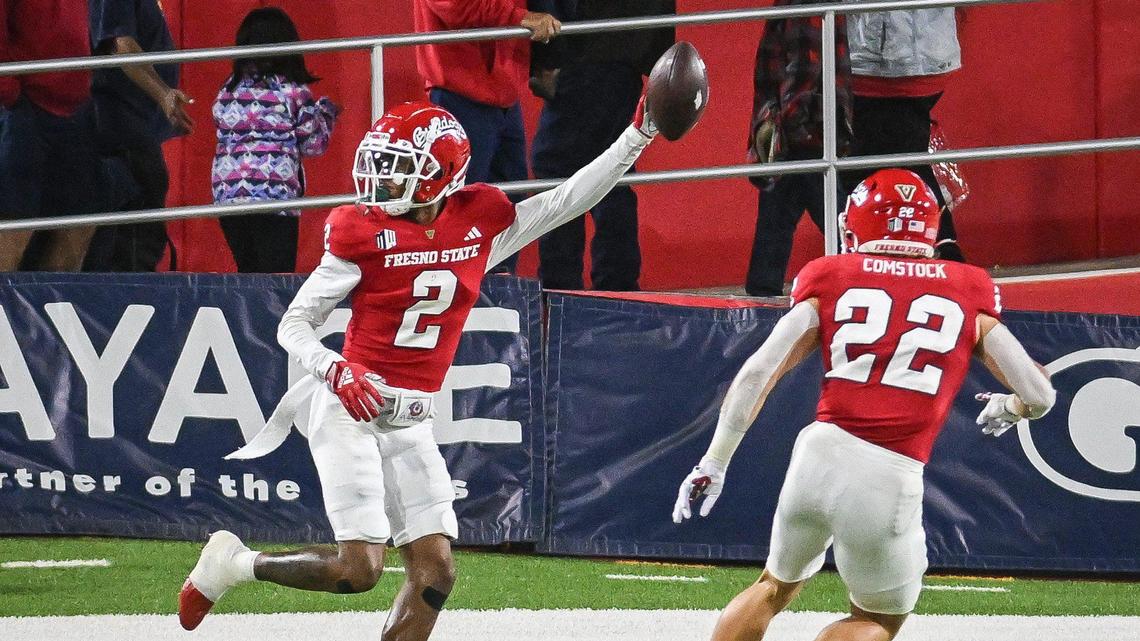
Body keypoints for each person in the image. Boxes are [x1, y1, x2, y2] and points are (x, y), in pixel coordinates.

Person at [178, 99, 662, 638]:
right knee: (359, 570)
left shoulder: (477, 225)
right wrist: (337, 370)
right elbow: (292, 325)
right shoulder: (360, 234)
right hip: (350, 406)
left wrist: (637, 135)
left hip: (410, 417)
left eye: (399, 167)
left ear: (444, 174)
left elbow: (566, 200)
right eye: (379, 164)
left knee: (435, 572)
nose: (382, 180)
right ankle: (234, 564)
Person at [673, 168, 1056, 641]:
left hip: (818, 453)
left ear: (857, 224)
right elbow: (1040, 395)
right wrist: (1010, 407)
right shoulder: (968, 287)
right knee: (876, 618)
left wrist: (715, 459)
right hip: (888, 472)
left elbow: (757, 373)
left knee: (773, 586)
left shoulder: (830, 276)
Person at [529, 0, 674, 292]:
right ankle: (617, 292)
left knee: (560, 176)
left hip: (578, 52)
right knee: (615, 174)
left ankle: (560, 293)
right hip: (624, 58)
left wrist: (546, 60)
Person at [413, 0, 561, 273]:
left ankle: (499, 297)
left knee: (506, 207)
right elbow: (454, 6)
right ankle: (453, 295)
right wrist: (521, 18)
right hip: (459, 91)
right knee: (457, 209)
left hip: (502, 92)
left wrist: (539, 58)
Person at [212, 7, 340, 273]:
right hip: (274, 197)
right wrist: (326, 112)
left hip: (230, 196)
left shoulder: (228, 90)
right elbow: (313, 143)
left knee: (248, 274)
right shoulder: (291, 91)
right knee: (275, 278)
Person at [744, 0, 853, 297]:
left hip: (802, 134)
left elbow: (803, 73)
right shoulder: (808, 8)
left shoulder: (801, 9)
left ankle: (760, 297)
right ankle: (866, 279)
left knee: (832, 218)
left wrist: (791, 127)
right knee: (826, 217)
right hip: (807, 132)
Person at [842, 3, 965, 262]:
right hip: (928, 56)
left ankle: (940, 250)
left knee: (849, 170)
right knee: (906, 160)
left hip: (879, 62)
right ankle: (943, 247)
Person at [0, 0, 114, 272]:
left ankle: (52, 309)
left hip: (76, 107)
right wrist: (11, 94)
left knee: (80, 222)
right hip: (24, 108)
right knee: (14, 225)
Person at [83, 0, 192, 272]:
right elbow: (121, 45)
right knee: (137, 216)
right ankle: (128, 292)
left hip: (132, 121)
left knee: (138, 214)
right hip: (120, 122)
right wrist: (163, 94)